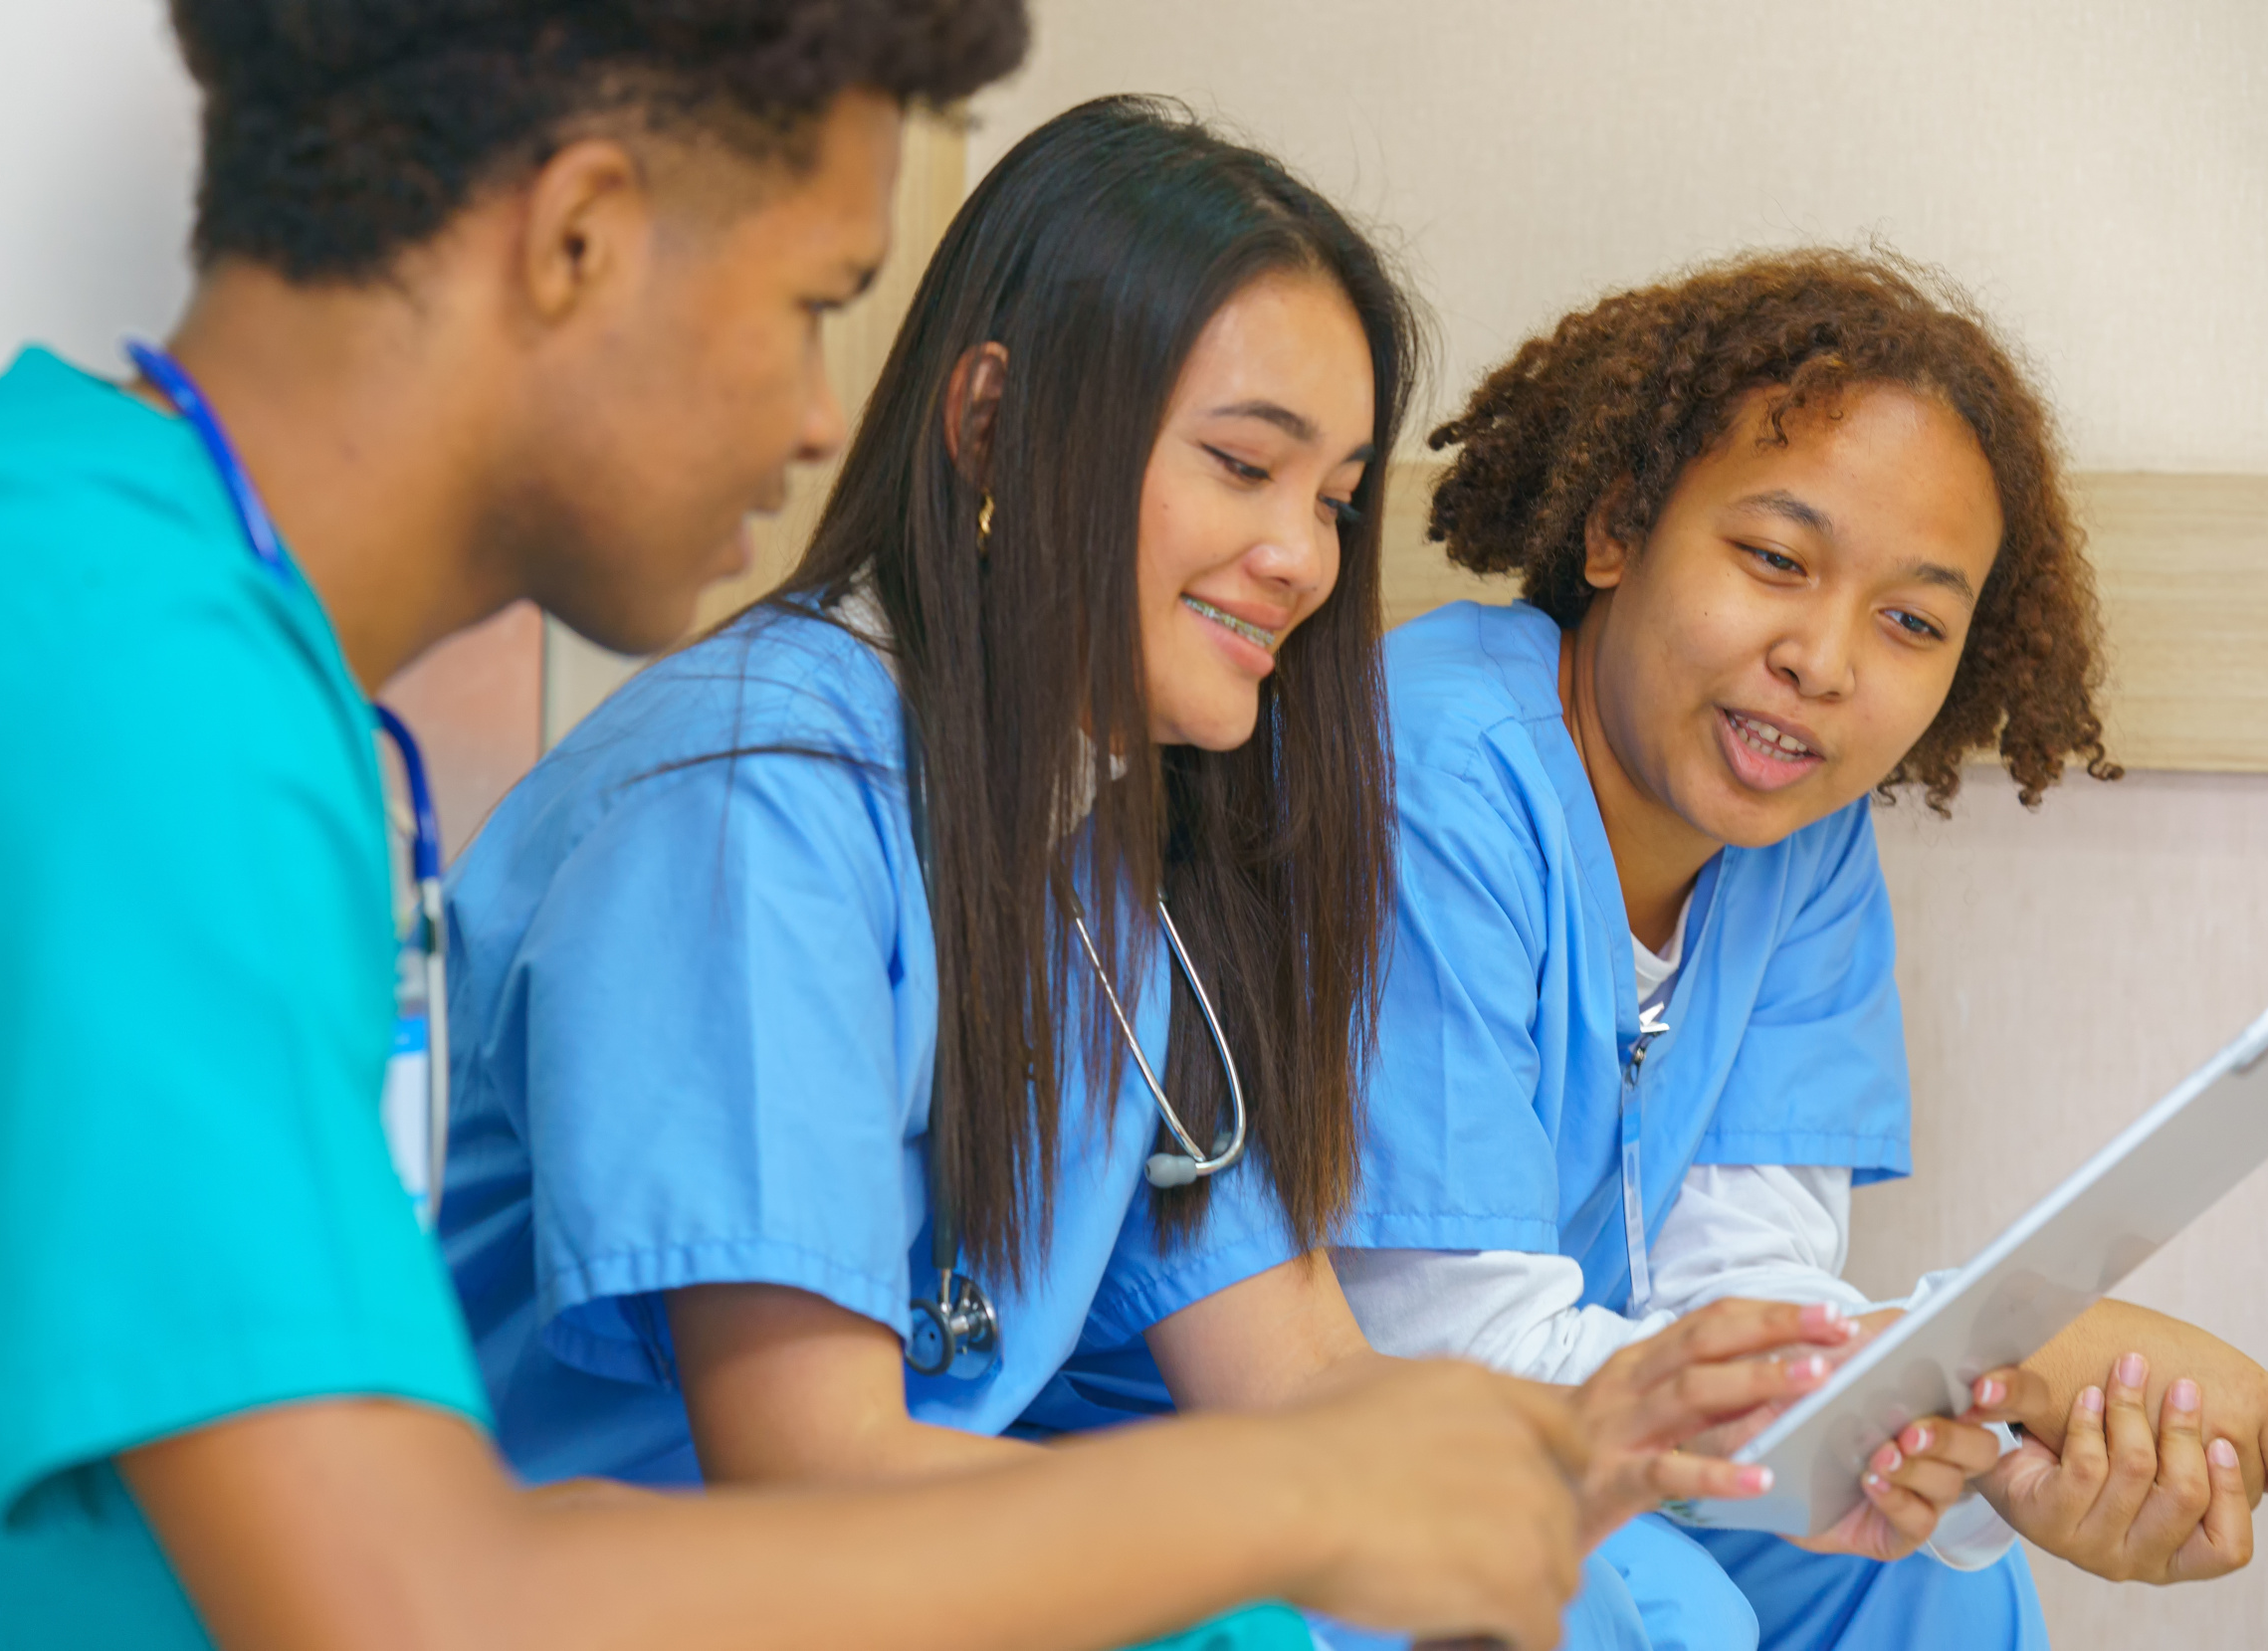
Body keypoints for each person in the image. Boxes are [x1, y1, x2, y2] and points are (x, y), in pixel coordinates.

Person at [0, 9, 1629, 1649]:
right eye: (814, 300)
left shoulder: (170, 638)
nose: (829, 408)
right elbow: (419, 1606)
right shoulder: (103, 692)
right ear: (579, 235)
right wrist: (1293, 1510)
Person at [436, 100, 1995, 1651]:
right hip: (678, 1592)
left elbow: (1301, 1371)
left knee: (1629, 1604)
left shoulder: (1101, 847)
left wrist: (1601, 1447)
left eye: (1329, 501)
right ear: (992, 425)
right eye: (1244, 468)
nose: (1303, 560)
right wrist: (1320, 1524)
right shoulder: (751, 810)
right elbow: (808, 1480)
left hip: (943, 1545)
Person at [1331, 248, 2268, 1651]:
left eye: (1911, 621)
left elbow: (1752, 1297)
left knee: (1940, 1576)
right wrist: (2011, 1358)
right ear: (1616, 528)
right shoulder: (1435, 770)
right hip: (1345, 1440)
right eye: (1775, 560)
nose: (1825, 657)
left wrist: (1982, 1441)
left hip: (1602, 1431)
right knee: (1657, 1607)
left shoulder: (1800, 843)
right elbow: (1442, 1346)